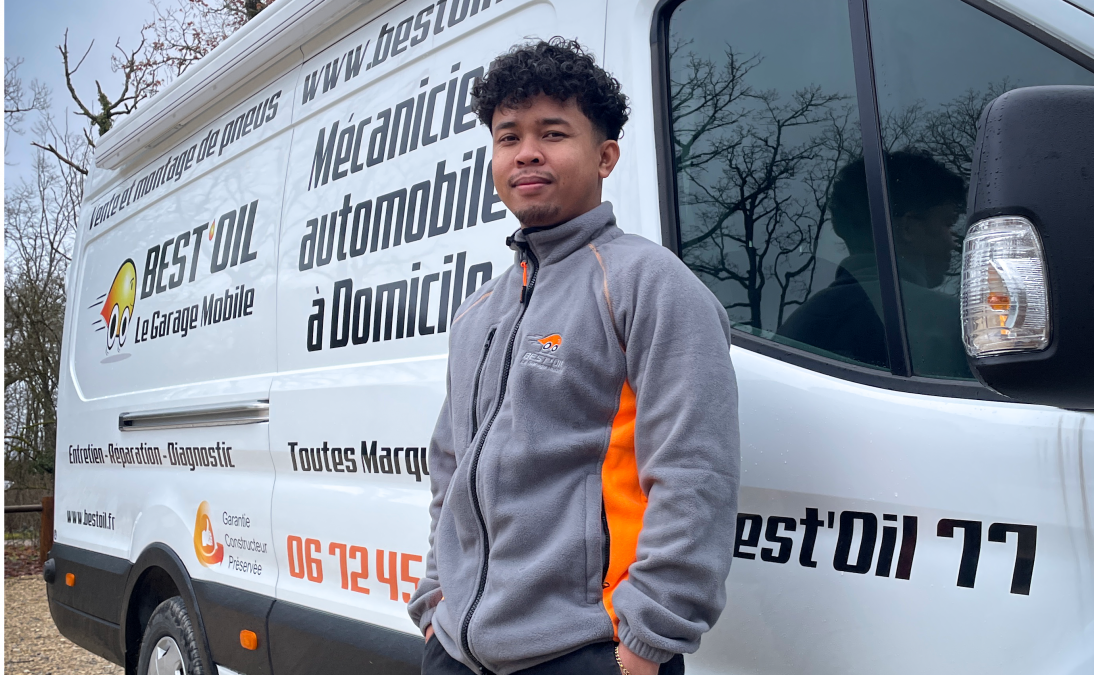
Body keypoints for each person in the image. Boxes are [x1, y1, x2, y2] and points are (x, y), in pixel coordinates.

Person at [406, 38, 741, 675]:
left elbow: (697, 472)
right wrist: (436, 602)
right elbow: (450, 471)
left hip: (588, 652)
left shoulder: (649, 284)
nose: (526, 152)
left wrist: (646, 642)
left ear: (605, 155)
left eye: (553, 132)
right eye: (508, 137)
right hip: (458, 651)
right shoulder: (479, 312)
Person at [780, 150, 970, 377]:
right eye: (947, 223)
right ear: (908, 227)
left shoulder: (795, 328)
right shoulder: (950, 322)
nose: (953, 240)